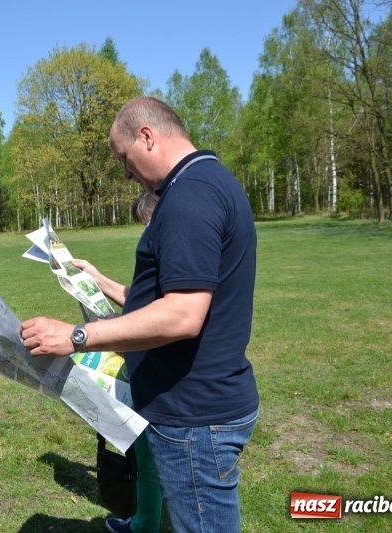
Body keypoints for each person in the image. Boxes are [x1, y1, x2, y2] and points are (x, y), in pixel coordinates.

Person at [21, 96, 260, 533]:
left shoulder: (190, 196)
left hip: (195, 417)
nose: (126, 173)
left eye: (124, 158)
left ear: (147, 137)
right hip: (203, 406)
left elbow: (183, 314)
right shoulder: (209, 181)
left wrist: (77, 336)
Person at [73, 190, 163, 533]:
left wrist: (104, 332)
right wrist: (96, 278)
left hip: (157, 369)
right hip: (145, 368)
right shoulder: (161, 247)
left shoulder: (175, 243)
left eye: (150, 223)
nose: (148, 232)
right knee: (146, 456)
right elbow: (137, 299)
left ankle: (146, 525)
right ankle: (144, 521)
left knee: (152, 459)